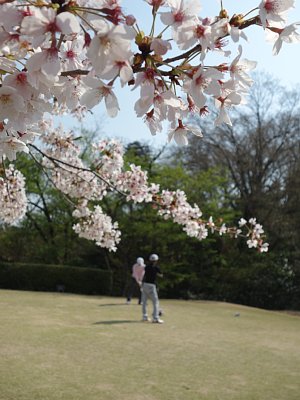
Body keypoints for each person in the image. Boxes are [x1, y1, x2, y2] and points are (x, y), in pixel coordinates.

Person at [142, 253, 164, 324]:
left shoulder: (146, 267)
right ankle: (155, 318)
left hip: (145, 285)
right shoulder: (156, 268)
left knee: (144, 302)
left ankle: (144, 316)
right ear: (156, 260)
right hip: (151, 285)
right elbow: (161, 275)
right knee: (155, 302)